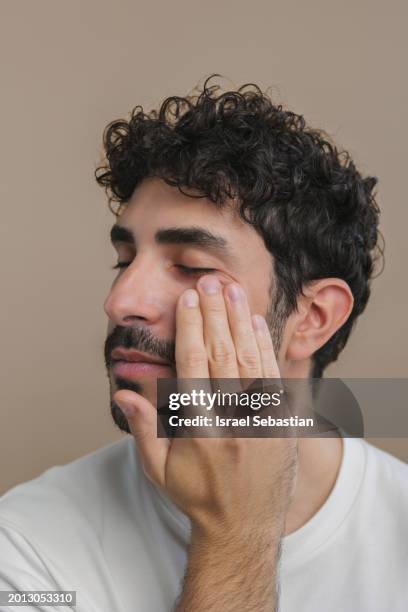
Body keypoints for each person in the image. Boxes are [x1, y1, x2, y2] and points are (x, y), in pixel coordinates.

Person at [0, 75, 407, 612]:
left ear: (312, 318)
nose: (121, 300)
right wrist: (234, 535)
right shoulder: (26, 549)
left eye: (191, 267)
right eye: (125, 261)